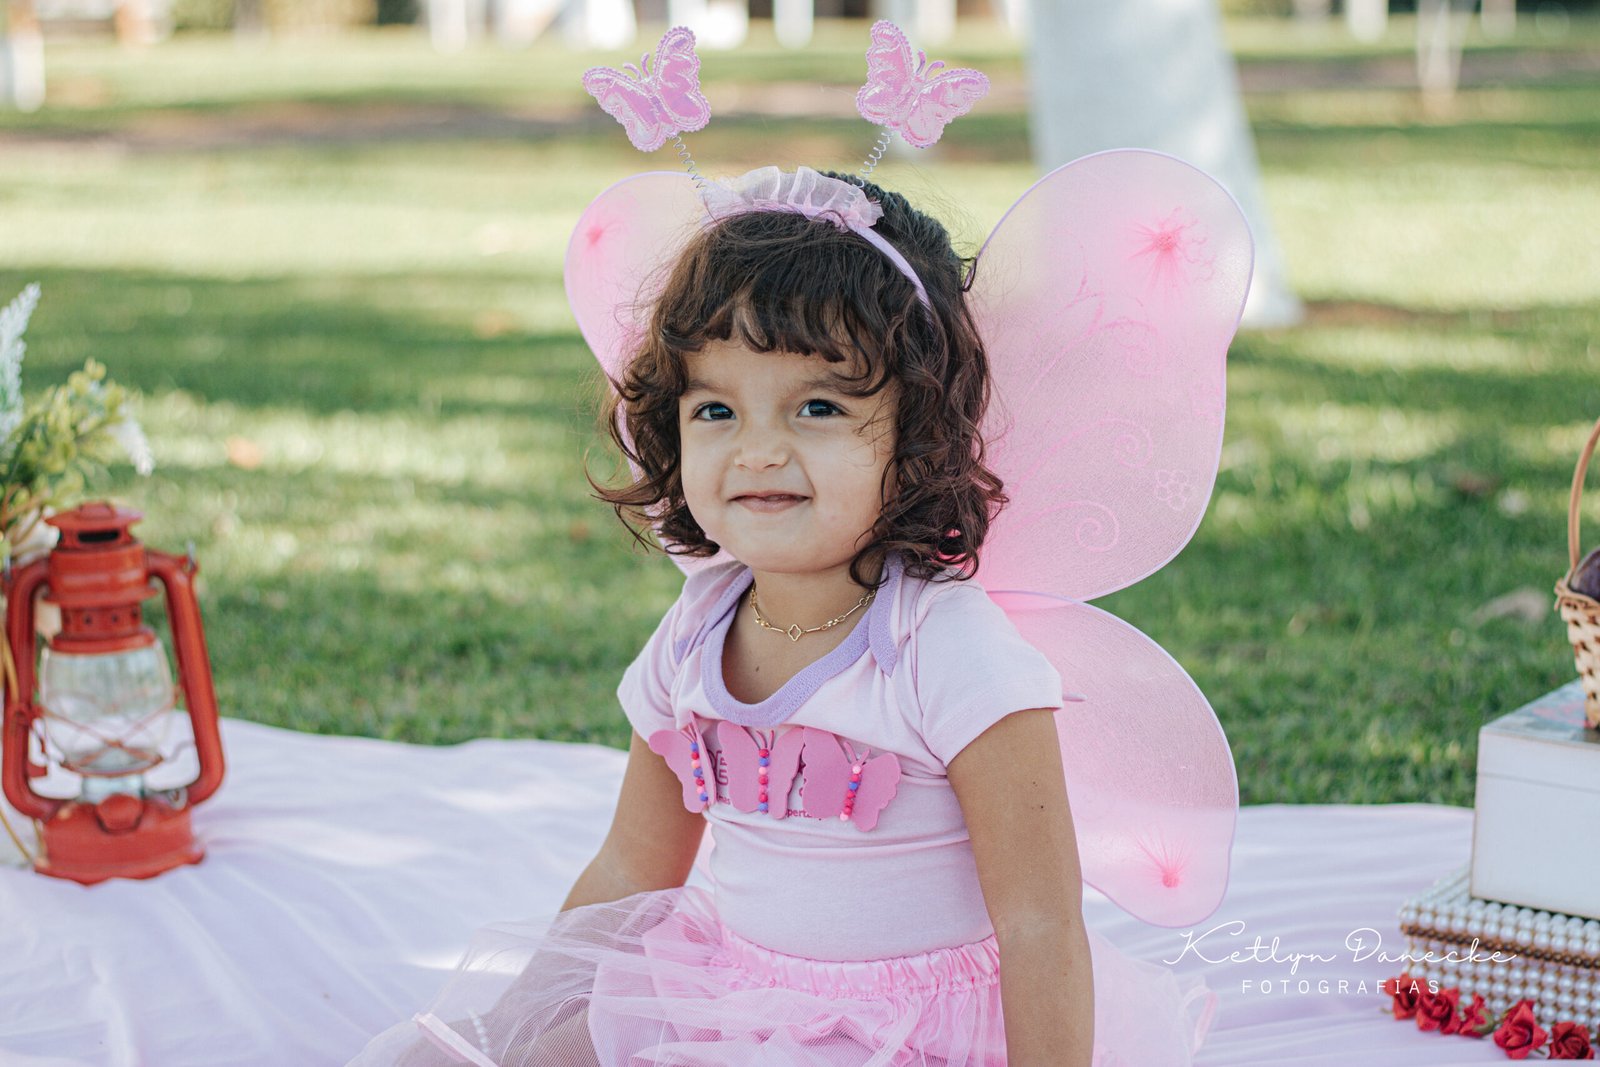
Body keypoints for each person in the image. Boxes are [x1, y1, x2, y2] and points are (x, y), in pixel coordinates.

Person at [347, 164, 1218, 1067]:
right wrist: (508, 1032)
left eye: (818, 406)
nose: (759, 449)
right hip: (736, 999)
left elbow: (1039, 919)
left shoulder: (945, 647)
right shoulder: (698, 628)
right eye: (716, 408)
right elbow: (630, 869)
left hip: (904, 1034)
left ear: (918, 431)